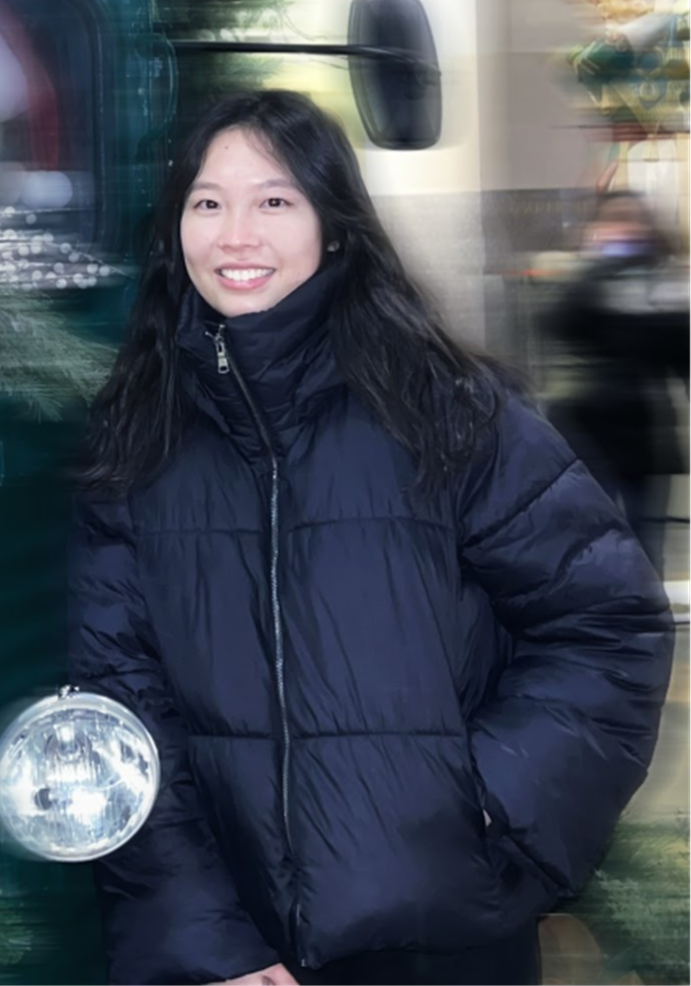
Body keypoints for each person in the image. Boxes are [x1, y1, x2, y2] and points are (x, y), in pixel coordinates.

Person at [67, 90, 674, 986]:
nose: (236, 234)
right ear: (174, 231)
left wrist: (478, 814)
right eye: (207, 202)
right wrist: (210, 940)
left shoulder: (448, 413)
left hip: (443, 938)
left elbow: (606, 624)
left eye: (274, 200)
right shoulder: (135, 442)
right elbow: (116, 710)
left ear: (334, 225)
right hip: (236, 952)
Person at [541, 189, 690, 577]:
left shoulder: (665, 285)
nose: (624, 229)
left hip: (645, 437)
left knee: (644, 545)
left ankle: (645, 626)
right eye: (615, 219)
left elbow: (682, 357)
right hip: (587, 433)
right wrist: (596, 271)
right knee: (593, 542)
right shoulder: (582, 281)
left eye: (632, 219)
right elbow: (557, 325)